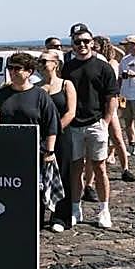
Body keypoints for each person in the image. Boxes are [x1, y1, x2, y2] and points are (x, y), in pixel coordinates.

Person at [62, 23, 118, 229]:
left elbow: (112, 96)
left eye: (86, 41)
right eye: (78, 42)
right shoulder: (67, 68)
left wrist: (105, 122)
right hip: (74, 126)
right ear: (73, 44)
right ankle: (75, 209)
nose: (82, 45)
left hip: (96, 124)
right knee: (75, 168)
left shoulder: (103, 67)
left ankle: (104, 210)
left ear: (93, 43)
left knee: (99, 168)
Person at [0, 53, 61, 224]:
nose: (12, 72)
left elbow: (52, 125)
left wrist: (49, 152)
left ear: (29, 71)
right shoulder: (1, 94)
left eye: (17, 69)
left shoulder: (40, 96)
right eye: (10, 68)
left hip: (34, 153)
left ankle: (34, 225)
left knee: (34, 192)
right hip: (6, 153)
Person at [38, 49, 76, 232]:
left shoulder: (66, 85)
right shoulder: (37, 88)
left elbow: (71, 112)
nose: (42, 65)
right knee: (40, 177)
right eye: (40, 61)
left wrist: (54, 130)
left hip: (62, 136)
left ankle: (60, 217)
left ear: (56, 64)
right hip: (41, 139)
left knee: (63, 174)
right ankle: (38, 215)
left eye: (45, 61)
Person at [92, 36, 134, 184]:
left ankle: (125, 168)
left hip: (109, 101)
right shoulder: (93, 62)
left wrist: (110, 45)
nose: (93, 49)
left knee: (116, 136)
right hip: (98, 102)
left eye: (96, 46)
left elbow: (122, 55)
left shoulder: (111, 63)